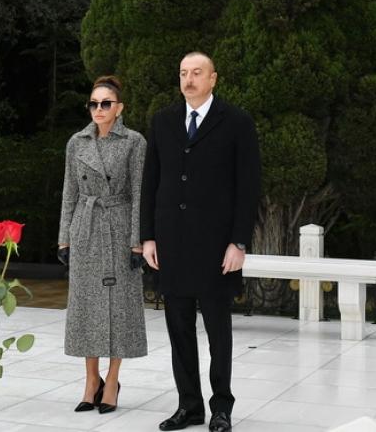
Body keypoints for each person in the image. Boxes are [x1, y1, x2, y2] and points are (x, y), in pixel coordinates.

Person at [140, 52, 260, 432]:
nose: (188, 79)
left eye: (196, 73)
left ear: (213, 79)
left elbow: (248, 187)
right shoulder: (163, 122)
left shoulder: (237, 122)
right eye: (183, 73)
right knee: (178, 330)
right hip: (171, 244)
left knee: (218, 331)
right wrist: (147, 237)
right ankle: (189, 407)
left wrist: (238, 242)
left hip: (215, 247)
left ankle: (220, 407)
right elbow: (150, 183)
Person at [58, 75, 148, 415]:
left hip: (119, 227)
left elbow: (140, 193)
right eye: (94, 103)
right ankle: (91, 379)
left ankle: (112, 380)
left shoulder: (134, 142)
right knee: (86, 307)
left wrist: (136, 242)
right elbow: (69, 191)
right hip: (85, 227)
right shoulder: (76, 142)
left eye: (105, 103)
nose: (99, 109)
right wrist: (64, 237)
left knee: (119, 307)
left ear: (119, 108)